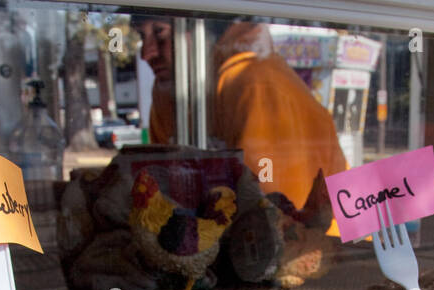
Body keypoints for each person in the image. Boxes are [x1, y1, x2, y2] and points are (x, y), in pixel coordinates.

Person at [135, 18, 349, 211]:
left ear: (201, 28)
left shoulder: (255, 82)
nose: (147, 53)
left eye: (160, 33)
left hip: (329, 245)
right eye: (142, 36)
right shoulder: (171, 89)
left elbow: (274, 213)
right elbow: (161, 188)